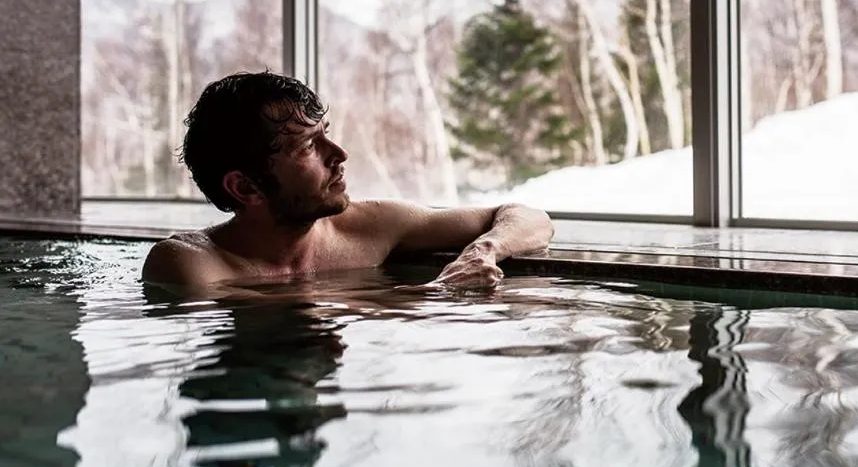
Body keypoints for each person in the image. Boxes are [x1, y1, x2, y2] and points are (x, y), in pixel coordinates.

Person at [141, 71, 554, 295]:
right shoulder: (187, 264)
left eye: (326, 133)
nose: (339, 154)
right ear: (246, 188)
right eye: (307, 147)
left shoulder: (369, 226)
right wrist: (436, 292)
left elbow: (528, 217)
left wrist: (483, 250)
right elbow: (280, 320)